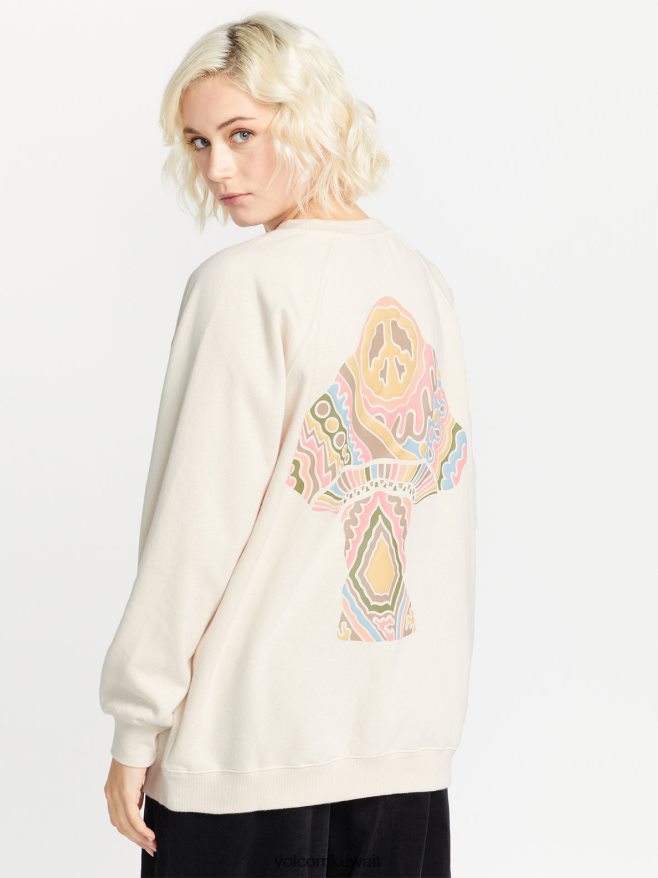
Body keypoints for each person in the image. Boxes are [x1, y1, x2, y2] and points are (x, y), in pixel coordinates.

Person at [99, 11, 476, 878]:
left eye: (243, 134)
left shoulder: (243, 286)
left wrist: (136, 725)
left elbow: (196, 525)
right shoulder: (424, 282)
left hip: (249, 757)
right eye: (199, 143)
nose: (217, 169)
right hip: (404, 756)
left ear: (309, 118)